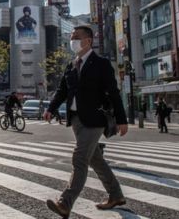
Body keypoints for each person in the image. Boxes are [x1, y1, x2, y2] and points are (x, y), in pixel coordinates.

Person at [43, 26, 128, 218]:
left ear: (88, 41)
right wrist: (50, 108)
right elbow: (63, 91)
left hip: (95, 119)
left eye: (76, 37)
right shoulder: (72, 64)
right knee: (95, 159)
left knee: (80, 158)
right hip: (76, 119)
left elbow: (113, 93)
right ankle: (116, 195)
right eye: (72, 37)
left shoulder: (101, 64)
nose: (72, 40)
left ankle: (65, 203)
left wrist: (122, 120)